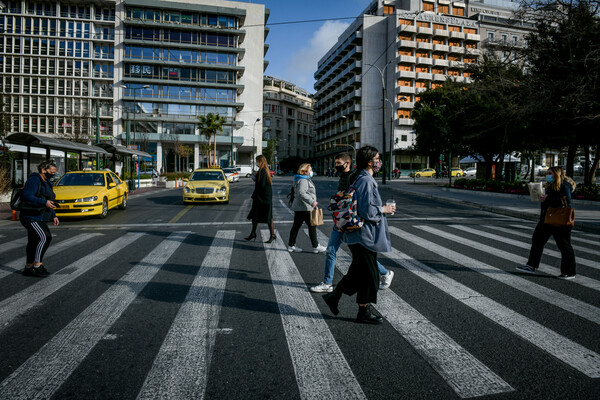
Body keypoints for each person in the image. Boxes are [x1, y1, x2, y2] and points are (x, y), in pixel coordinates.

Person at [323, 146, 395, 324]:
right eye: (377, 158)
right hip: (363, 235)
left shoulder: (360, 177)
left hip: (359, 235)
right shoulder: (366, 180)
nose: (380, 161)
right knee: (370, 275)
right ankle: (363, 311)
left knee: (357, 272)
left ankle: (335, 296)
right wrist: (383, 209)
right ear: (370, 161)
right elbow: (366, 210)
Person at [310, 152, 394, 293]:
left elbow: (361, 201)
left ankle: (384, 273)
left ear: (347, 163)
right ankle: (328, 283)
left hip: (352, 220)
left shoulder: (356, 177)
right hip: (342, 219)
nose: (336, 166)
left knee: (361, 256)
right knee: (333, 250)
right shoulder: (343, 176)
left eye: (338, 163)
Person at [517, 166, 577, 279]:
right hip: (547, 219)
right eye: (547, 173)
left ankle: (569, 272)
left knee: (564, 245)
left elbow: (566, 200)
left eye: (550, 173)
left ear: (557, 174)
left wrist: (547, 199)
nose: (548, 175)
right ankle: (531, 265)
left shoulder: (564, 185)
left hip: (560, 220)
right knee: (537, 240)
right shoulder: (551, 185)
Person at [19, 159, 60, 277]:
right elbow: (27, 196)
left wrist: (53, 215)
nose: (53, 175)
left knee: (33, 241)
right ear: (43, 170)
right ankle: (37, 265)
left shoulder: (46, 182)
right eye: (51, 172)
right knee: (45, 237)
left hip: (40, 216)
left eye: (54, 173)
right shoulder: (34, 180)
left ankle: (29, 267)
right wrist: (43, 202)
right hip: (31, 216)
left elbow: (49, 200)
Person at [288, 163, 326, 253]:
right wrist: (312, 202)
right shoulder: (303, 180)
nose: (312, 171)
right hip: (305, 208)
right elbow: (301, 193)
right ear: (305, 171)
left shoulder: (300, 179)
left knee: (296, 226)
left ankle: (291, 245)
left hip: (300, 208)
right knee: (312, 226)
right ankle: (316, 246)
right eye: (310, 169)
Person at [245, 155, 276, 243]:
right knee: (256, 215)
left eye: (257, 161)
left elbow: (261, 185)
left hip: (262, 198)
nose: (256, 163)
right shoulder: (263, 170)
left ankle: (272, 235)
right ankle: (253, 233)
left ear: (260, 161)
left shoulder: (263, 171)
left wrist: (254, 178)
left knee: (268, 217)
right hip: (263, 197)